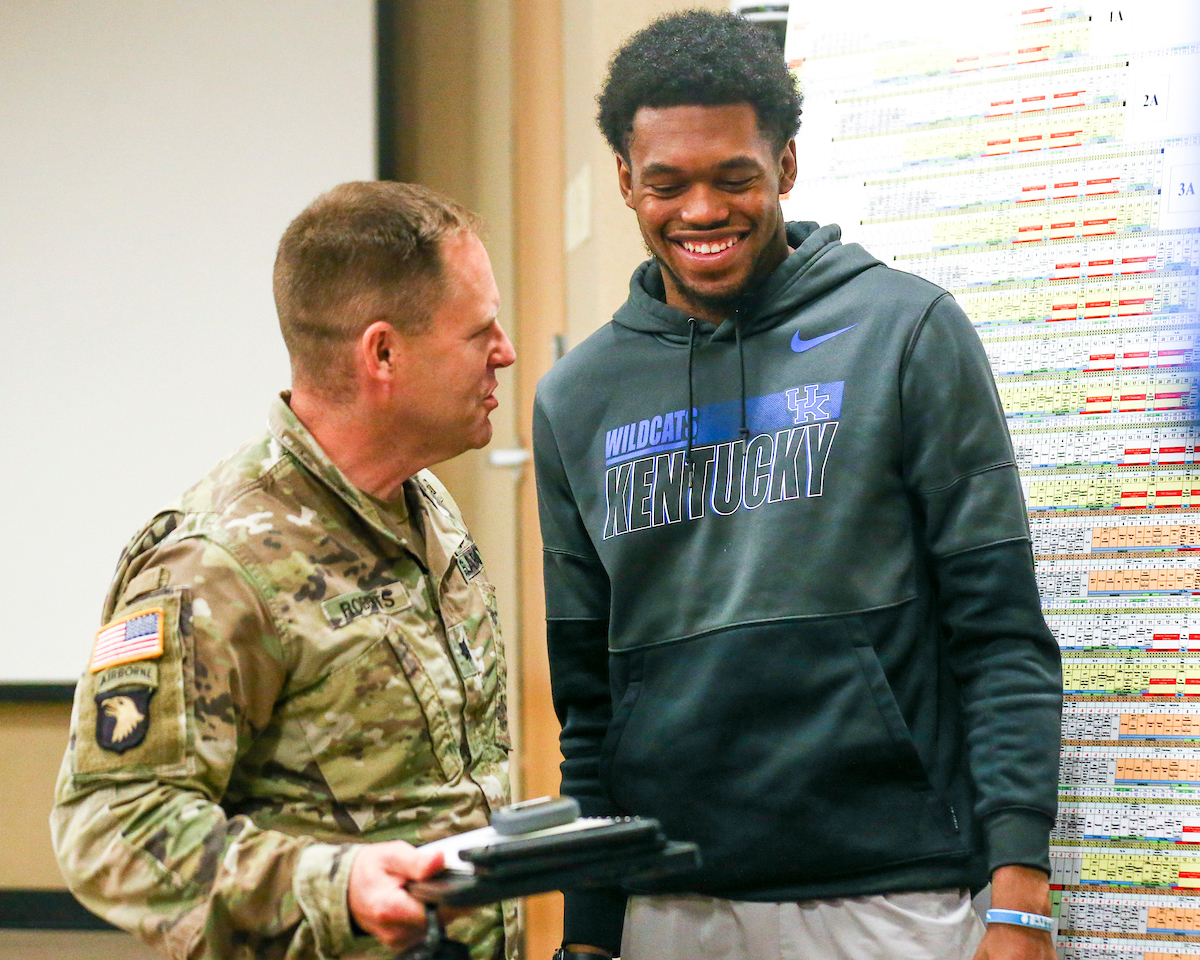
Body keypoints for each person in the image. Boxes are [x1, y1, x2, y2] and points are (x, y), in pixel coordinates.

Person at [533, 11, 1061, 960]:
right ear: (625, 181)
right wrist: (589, 931)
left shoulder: (907, 332)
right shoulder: (577, 398)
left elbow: (1001, 636)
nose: (702, 211)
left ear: (784, 165)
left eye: (734, 177)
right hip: (672, 906)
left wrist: (1019, 893)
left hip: (892, 898)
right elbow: (588, 701)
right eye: (667, 183)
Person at [52, 181, 518, 960]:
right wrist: (333, 884)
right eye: (479, 331)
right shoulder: (215, 563)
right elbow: (111, 824)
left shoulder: (424, 503)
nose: (505, 350)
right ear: (382, 353)